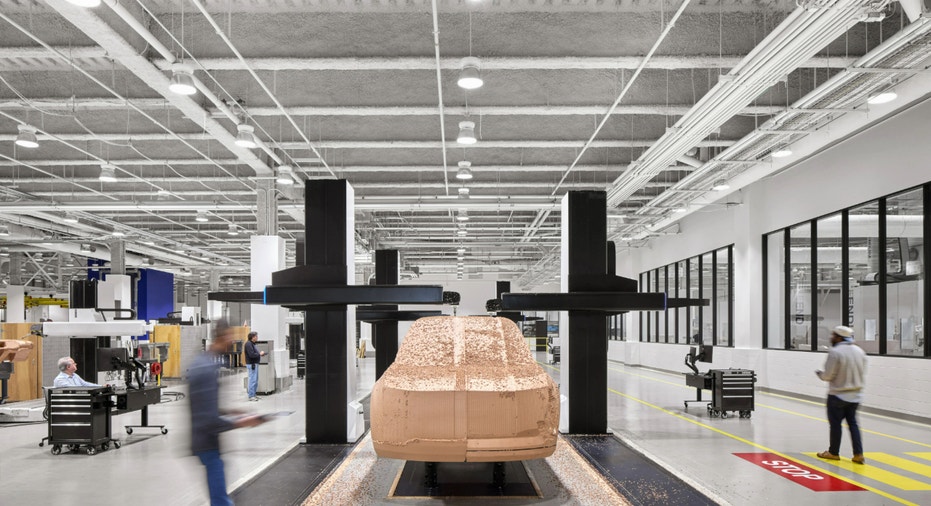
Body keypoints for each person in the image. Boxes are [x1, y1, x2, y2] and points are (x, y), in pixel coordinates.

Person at [189, 320, 265, 506]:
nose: (232, 342)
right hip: (206, 441)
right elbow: (208, 419)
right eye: (230, 337)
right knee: (220, 500)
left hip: (206, 440)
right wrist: (242, 422)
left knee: (219, 493)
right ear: (221, 337)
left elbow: (206, 405)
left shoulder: (204, 363)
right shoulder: (205, 369)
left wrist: (233, 411)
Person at [815, 325, 868, 464]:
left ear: (839, 337)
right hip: (855, 396)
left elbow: (828, 375)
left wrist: (820, 374)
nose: (831, 337)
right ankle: (858, 454)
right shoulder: (860, 352)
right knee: (853, 424)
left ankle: (833, 452)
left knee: (835, 425)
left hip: (837, 395)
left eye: (833, 335)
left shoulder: (835, 352)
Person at [244, 331, 266, 402]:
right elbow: (251, 355)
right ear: (252, 337)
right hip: (252, 364)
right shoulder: (248, 344)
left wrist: (260, 354)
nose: (257, 338)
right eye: (256, 336)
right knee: (252, 380)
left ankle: (253, 394)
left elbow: (254, 353)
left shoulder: (252, 344)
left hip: (255, 364)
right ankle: (251, 396)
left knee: (255, 380)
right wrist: (259, 354)